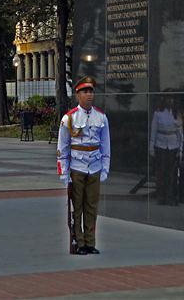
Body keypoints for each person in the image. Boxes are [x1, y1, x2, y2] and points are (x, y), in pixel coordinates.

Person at [57, 76, 110, 255]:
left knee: (91, 207)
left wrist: (105, 168)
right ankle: (79, 243)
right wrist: (64, 173)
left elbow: (106, 145)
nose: (89, 95)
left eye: (91, 92)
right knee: (77, 207)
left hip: (94, 167)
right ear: (78, 95)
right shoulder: (69, 118)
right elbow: (62, 148)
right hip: (77, 168)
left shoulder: (101, 117)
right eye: (85, 92)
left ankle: (90, 242)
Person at [149, 93, 183, 205]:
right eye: (168, 98)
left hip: (173, 145)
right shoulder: (158, 113)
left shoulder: (176, 114)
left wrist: (180, 149)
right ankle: (161, 196)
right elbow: (154, 131)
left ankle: (170, 196)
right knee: (161, 172)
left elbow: (180, 133)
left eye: (172, 98)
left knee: (172, 173)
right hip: (161, 144)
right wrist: (151, 147)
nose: (170, 101)